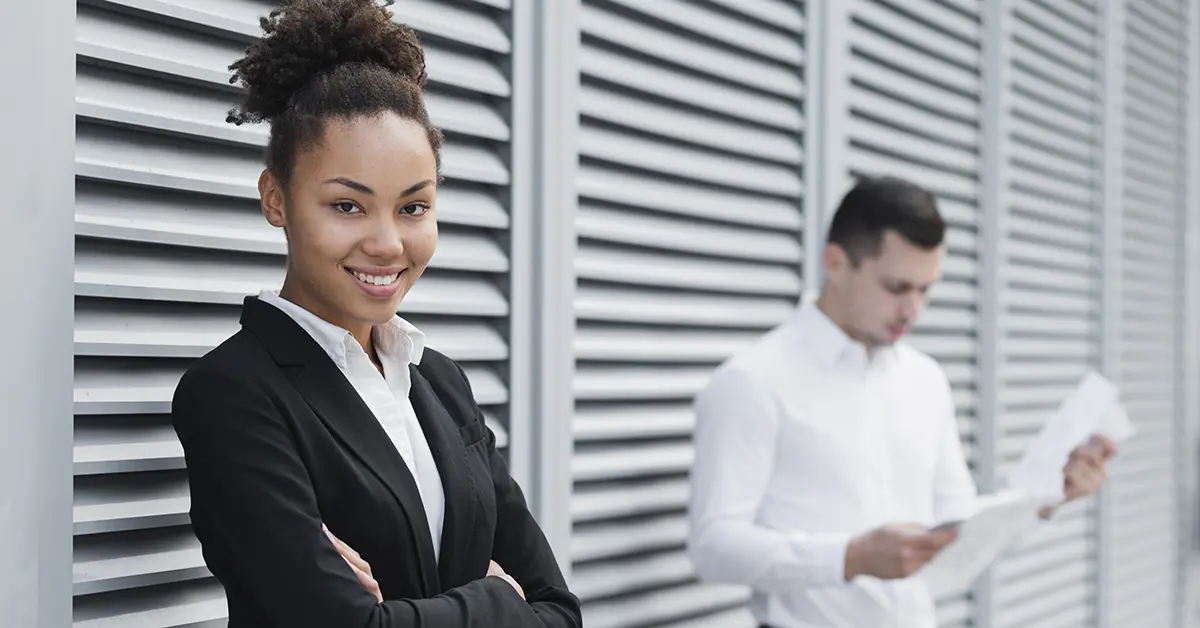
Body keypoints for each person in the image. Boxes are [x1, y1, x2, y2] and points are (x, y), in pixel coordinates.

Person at [169, 1, 581, 626]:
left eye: (413, 207)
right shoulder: (233, 394)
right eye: (347, 206)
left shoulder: (439, 381)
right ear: (275, 199)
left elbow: (560, 612)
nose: (388, 244)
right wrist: (497, 601)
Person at [685, 176, 1118, 628]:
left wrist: (1046, 497)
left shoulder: (925, 381)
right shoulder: (752, 381)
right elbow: (713, 546)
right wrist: (849, 557)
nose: (914, 310)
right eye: (897, 287)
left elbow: (957, 530)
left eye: (926, 289)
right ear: (835, 263)